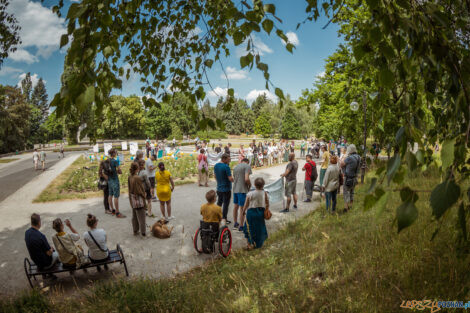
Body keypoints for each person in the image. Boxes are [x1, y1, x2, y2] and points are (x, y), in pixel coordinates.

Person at [25, 214, 59, 278]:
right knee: (56, 254)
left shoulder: (27, 233)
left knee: (43, 251)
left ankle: (46, 274)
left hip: (36, 260)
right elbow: (49, 253)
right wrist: (51, 249)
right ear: (39, 222)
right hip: (44, 263)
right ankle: (50, 273)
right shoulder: (41, 236)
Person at [241, 177, 269, 249]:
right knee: (259, 228)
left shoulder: (250, 194)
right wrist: (267, 210)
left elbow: (246, 204)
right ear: (263, 185)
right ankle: (259, 244)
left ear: (254, 185)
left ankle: (249, 244)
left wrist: (243, 211)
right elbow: (267, 203)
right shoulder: (264, 193)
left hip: (251, 213)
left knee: (249, 228)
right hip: (260, 213)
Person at [232, 158, 252, 231]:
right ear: (247, 162)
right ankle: (241, 225)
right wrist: (250, 185)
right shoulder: (247, 166)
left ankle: (235, 223)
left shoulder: (236, 167)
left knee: (235, 206)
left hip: (235, 189)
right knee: (242, 208)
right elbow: (246, 179)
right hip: (242, 190)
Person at [214, 154, 234, 224]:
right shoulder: (226, 167)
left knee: (219, 203)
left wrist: (219, 183)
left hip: (219, 188)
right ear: (224, 159)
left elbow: (215, 176)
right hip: (226, 189)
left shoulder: (216, 165)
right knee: (225, 204)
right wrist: (235, 180)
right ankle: (224, 218)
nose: (229, 161)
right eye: (228, 160)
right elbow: (230, 178)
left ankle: (217, 217)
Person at [128, 163, 147, 236]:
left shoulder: (130, 177)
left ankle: (135, 230)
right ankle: (143, 232)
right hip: (138, 198)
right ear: (137, 169)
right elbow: (140, 189)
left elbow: (129, 188)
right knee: (142, 216)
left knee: (134, 216)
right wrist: (143, 195)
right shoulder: (137, 178)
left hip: (132, 198)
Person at [341, 144, 361, 213]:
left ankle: (346, 208)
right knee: (352, 192)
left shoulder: (349, 158)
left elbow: (341, 164)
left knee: (346, 192)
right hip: (355, 178)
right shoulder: (358, 157)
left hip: (348, 178)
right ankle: (351, 206)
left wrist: (342, 157)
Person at [108, 149, 125, 218]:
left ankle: (112, 210)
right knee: (116, 197)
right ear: (114, 153)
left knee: (110, 195)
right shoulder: (115, 161)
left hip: (109, 180)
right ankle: (117, 212)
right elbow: (119, 170)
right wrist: (120, 171)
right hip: (115, 180)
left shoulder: (107, 161)